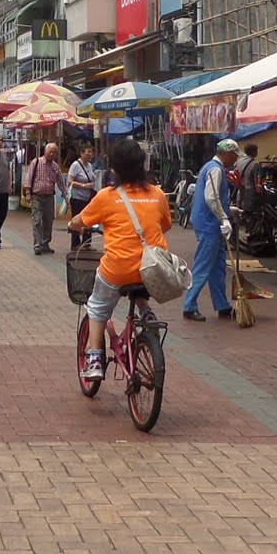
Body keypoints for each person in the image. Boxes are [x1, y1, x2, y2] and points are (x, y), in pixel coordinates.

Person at [74, 138, 174, 380]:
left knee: (97, 307)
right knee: (140, 278)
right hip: (153, 269)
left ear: (114, 169)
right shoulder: (158, 194)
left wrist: (71, 224)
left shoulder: (106, 196)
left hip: (118, 269)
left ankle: (95, 358)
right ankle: (145, 310)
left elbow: (80, 221)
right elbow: (166, 225)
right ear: (142, 165)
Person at [184, 138, 239, 321]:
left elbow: (212, 197)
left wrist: (228, 210)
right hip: (209, 224)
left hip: (208, 222)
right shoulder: (216, 169)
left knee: (218, 267)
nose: (235, 160)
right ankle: (189, 305)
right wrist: (223, 218)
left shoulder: (210, 167)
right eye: (234, 156)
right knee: (203, 265)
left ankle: (222, 304)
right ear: (227, 154)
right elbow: (211, 197)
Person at [27, 142, 64, 256]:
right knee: (37, 221)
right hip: (37, 196)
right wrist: (28, 192)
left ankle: (45, 243)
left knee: (48, 222)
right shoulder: (36, 162)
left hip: (49, 197)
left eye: (54, 153)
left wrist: (65, 194)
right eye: (50, 152)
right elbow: (29, 177)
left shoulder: (55, 166)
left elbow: (60, 181)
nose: (52, 154)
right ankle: (37, 245)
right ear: (45, 152)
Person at [65, 146, 100, 252]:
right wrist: (84, 186)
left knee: (88, 220)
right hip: (77, 198)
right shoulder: (75, 165)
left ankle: (87, 243)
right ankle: (75, 243)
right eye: (88, 151)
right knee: (77, 220)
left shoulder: (89, 165)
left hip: (88, 198)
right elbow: (70, 181)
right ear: (81, 153)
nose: (90, 154)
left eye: (91, 152)